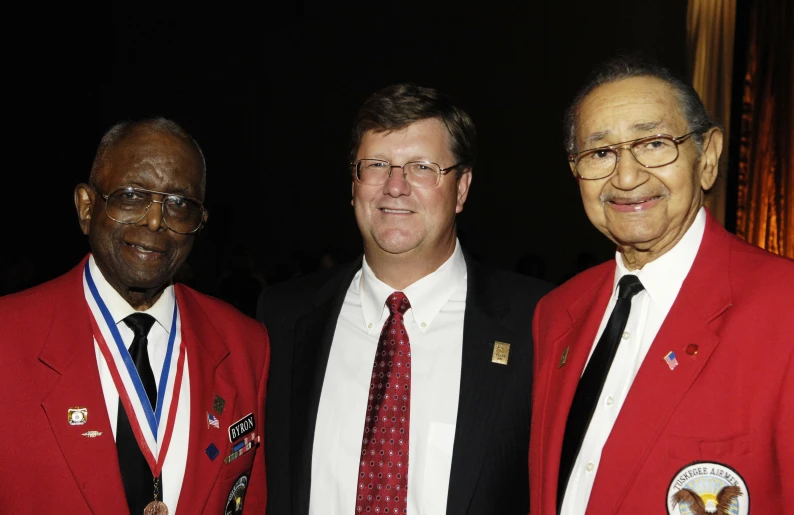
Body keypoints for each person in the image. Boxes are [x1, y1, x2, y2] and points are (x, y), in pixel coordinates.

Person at [258, 84, 552, 514]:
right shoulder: (283, 318)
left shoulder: (538, 323)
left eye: (422, 167)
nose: (395, 186)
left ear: (462, 188)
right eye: (376, 165)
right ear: (354, 183)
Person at [528, 55, 794, 515]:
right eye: (601, 153)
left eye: (653, 143)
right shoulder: (556, 313)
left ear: (707, 158)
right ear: (576, 171)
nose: (626, 177)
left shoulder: (782, 307)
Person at [0, 118, 270, 514]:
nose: (156, 221)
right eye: (130, 195)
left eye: (179, 204)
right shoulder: (8, 338)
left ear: (199, 224)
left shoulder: (245, 344)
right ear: (86, 207)